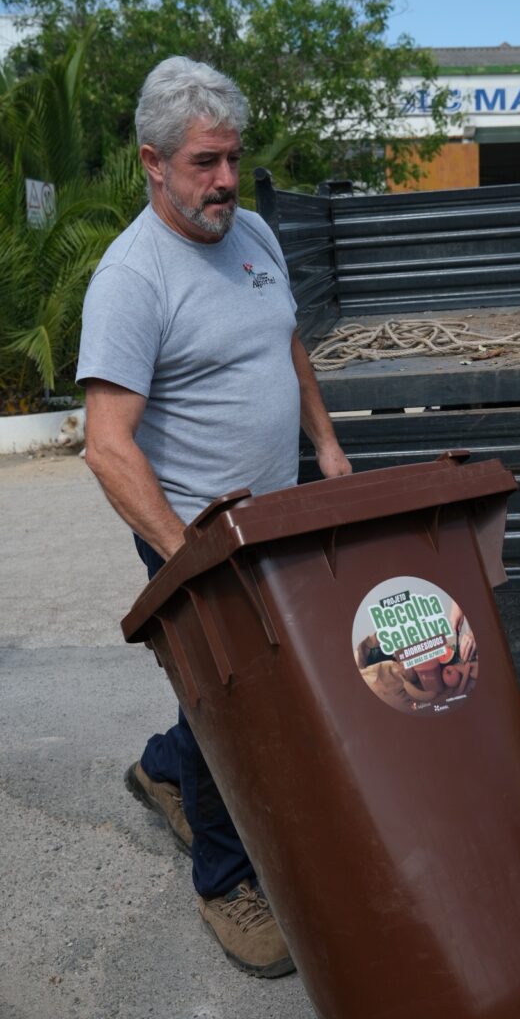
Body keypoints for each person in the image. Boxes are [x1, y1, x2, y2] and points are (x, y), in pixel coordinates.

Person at [76, 55, 351, 979]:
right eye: (205, 162)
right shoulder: (131, 278)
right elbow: (107, 445)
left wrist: (326, 447)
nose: (227, 179)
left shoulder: (252, 232)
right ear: (153, 163)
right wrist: (186, 558)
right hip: (189, 532)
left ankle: (163, 768)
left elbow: (287, 344)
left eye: (233, 157)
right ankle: (225, 879)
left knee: (247, 686)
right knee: (230, 697)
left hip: (273, 517)